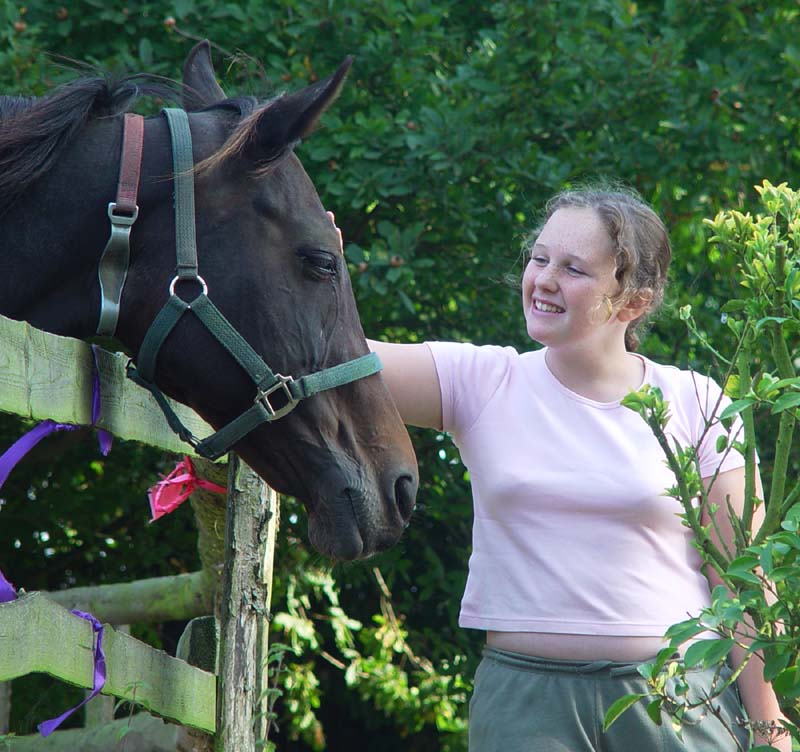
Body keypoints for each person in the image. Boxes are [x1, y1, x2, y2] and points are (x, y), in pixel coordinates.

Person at [330, 186, 788, 751]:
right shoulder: (481, 382)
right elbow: (335, 366)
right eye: (539, 258)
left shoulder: (699, 400)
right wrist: (320, 267)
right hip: (526, 708)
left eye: (573, 268)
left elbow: (743, 580)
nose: (544, 278)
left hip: (678, 704)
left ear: (634, 301)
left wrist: (771, 729)